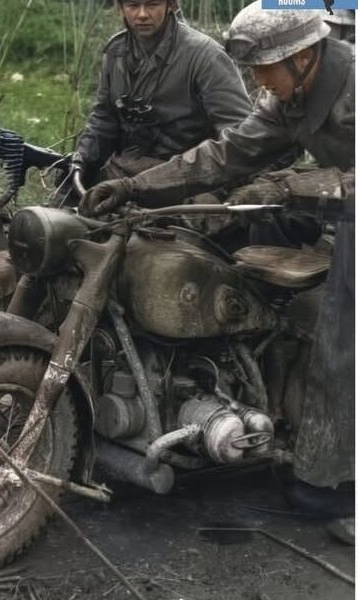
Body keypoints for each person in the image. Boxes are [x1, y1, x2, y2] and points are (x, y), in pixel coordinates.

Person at [81, 2, 355, 541]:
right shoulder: (287, 97)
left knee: (345, 337)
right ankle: (287, 431)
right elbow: (226, 153)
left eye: (263, 68)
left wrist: (289, 187)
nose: (257, 82)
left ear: (301, 58)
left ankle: (345, 483)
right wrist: (138, 187)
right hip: (339, 208)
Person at [72, 0, 253, 186]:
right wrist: (83, 159)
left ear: (171, 6)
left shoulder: (205, 55)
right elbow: (104, 119)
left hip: (187, 179)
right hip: (124, 173)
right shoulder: (115, 52)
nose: (142, 14)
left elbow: (238, 134)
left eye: (152, 4)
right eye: (133, 5)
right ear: (120, 8)